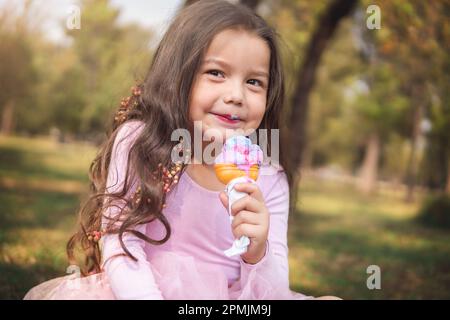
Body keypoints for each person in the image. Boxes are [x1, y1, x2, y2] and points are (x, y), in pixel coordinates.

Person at [24, 0, 339, 300]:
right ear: (179, 77)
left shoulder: (269, 178)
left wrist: (258, 253)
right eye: (216, 73)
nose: (236, 95)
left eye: (254, 81)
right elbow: (122, 247)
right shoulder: (140, 143)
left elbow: (273, 292)